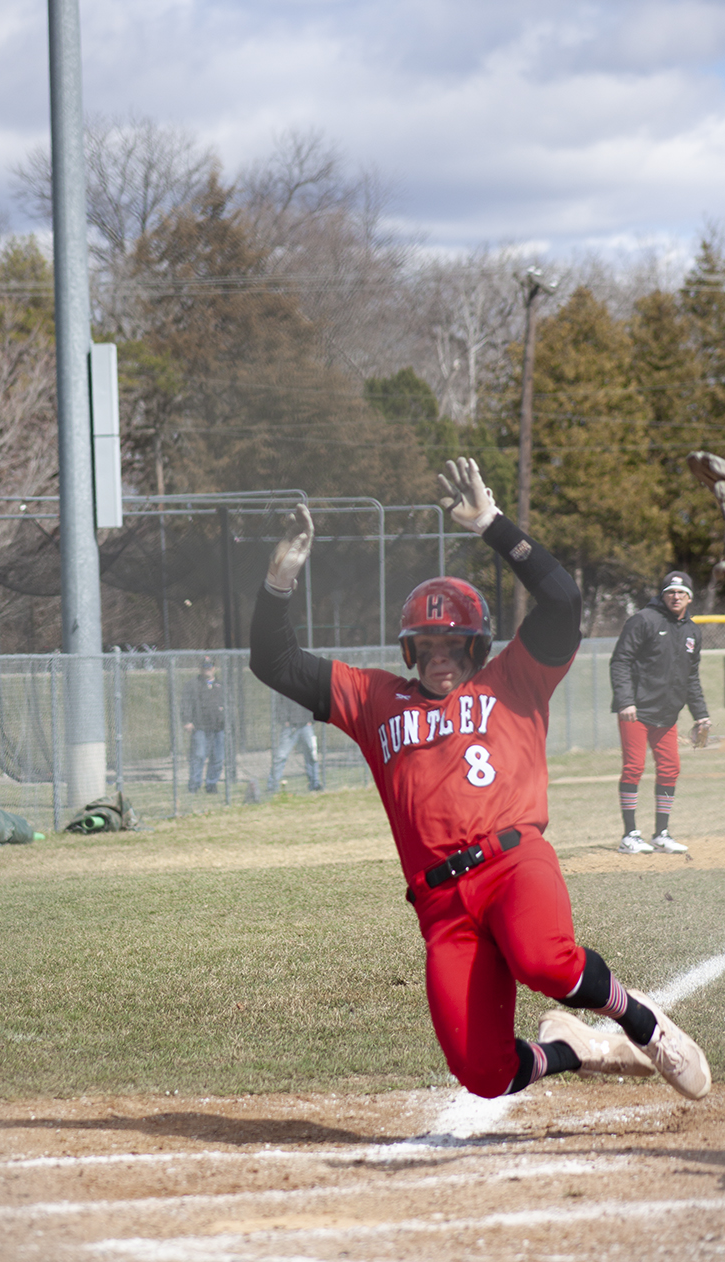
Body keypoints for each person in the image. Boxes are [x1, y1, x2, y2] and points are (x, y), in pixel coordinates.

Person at [250, 461, 711, 1102]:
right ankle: (576, 1049)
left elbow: (563, 600)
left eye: (455, 643)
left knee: (544, 960)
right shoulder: (375, 698)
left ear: (480, 645)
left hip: (513, 862)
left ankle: (641, 1023)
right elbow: (271, 660)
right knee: (484, 1075)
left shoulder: (514, 677)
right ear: (409, 651)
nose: (441, 656)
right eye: (426, 645)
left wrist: (494, 526)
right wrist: (280, 578)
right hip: (441, 906)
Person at [610, 571, 710, 855]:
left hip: (667, 713)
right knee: (634, 767)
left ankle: (661, 834)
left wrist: (700, 714)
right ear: (663, 595)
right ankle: (629, 835)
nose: (676, 597)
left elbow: (691, 677)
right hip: (636, 710)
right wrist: (625, 700)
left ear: (689, 597)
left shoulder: (692, 631)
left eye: (681, 593)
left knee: (670, 768)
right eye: (670, 592)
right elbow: (620, 661)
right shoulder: (644, 620)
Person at [181, 656, 225, 794]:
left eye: (210, 666)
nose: (207, 669)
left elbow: (228, 703)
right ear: (200, 668)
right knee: (199, 755)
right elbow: (185, 704)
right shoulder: (193, 684)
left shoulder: (220, 685)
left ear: (214, 668)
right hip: (200, 726)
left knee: (218, 757)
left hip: (218, 727)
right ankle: (194, 785)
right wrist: (187, 721)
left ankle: (211, 784)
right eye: (205, 667)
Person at [267, 693, 323, 793]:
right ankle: (272, 786)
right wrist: (284, 720)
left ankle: (315, 784)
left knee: (312, 754)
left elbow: (314, 701)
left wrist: (311, 719)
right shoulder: (284, 685)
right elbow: (279, 704)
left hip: (306, 725)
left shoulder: (307, 684)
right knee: (281, 756)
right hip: (290, 727)